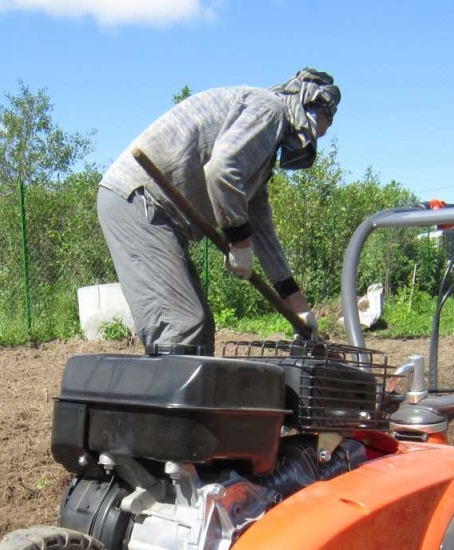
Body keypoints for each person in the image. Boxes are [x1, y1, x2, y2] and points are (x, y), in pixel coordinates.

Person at [98, 68, 340, 355]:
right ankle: (162, 398)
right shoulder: (270, 109)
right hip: (138, 200)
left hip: (157, 213)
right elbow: (222, 170)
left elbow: (261, 226)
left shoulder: (262, 154)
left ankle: (197, 399)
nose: (322, 134)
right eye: (327, 122)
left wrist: (298, 306)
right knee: (182, 326)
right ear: (312, 109)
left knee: (200, 329)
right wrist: (238, 241)